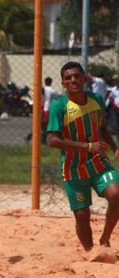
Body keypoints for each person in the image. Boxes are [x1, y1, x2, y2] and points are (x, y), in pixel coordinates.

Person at [47, 62, 119, 255]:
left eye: (77, 76)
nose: (73, 80)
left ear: (84, 79)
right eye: (68, 78)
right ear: (63, 83)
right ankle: (91, 253)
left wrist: (114, 148)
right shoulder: (58, 106)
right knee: (82, 214)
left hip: (97, 162)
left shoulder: (96, 99)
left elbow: (102, 128)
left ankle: (105, 239)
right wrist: (87, 146)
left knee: (116, 195)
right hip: (73, 168)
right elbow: (52, 140)